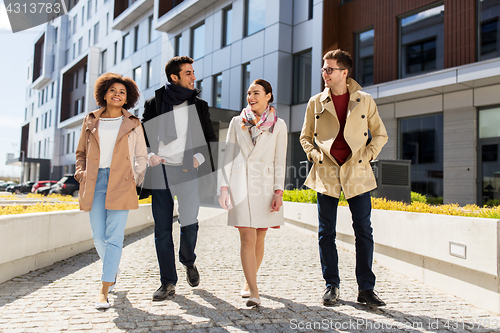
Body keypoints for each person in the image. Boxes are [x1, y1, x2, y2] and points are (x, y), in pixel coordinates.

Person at [300, 49, 388, 307]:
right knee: (326, 232)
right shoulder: (315, 102)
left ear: (344, 72)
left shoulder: (364, 100)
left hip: (357, 171)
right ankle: (332, 286)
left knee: (363, 230)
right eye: (323, 69)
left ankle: (366, 289)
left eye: (329, 69)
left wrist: (369, 155)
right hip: (327, 170)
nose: (324, 73)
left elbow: (380, 134)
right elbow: (305, 136)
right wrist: (315, 155)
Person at [141, 56, 217, 301]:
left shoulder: (199, 105)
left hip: (187, 169)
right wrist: (150, 154)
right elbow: (141, 135)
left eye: (193, 72)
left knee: (189, 222)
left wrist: (197, 158)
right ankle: (168, 282)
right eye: (188, 73)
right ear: (174, 77)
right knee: (162, 228)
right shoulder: (154, 104)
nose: (194, 76)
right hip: (160, 170)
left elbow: (209, 140)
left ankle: (188, 260)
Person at [75, 73, 148, 309]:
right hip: (94, 181)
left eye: (122, 92)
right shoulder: (90, 120)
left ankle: (104, 290)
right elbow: (81, 153)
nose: (117, 94)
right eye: (113, 90)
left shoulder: (134, 123)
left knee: (115, 237)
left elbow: (141, 156)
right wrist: (80, 172)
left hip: (122, 181)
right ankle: (112, 270)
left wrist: (135, 179)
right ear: (104, 94)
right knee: (98, 236)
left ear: (128, 98)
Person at [219, 79, 287, 307]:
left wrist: (279, 191)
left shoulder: (279, 125)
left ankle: (249, 281)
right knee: (247, 236)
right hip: (240, 186)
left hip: (266, 188)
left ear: (268, 96)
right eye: (249, 93)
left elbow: (280, 160)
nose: (251, 97)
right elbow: (228, 155)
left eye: (256, 93)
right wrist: (223, 187)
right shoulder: (237, 122)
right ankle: (255, 290)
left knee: (259, 237)